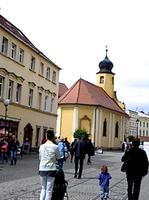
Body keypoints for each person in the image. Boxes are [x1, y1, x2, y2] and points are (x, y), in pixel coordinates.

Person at [39, 130, 60, 200]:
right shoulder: (55, 147)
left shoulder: (41, 146)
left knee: (43, 189)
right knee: (49, 191)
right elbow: (58, 157)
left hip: (42, 169)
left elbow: (40, 158)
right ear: (53, 137)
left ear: (46, 137)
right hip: (51, 170)